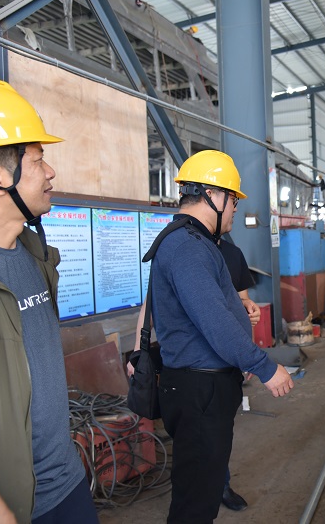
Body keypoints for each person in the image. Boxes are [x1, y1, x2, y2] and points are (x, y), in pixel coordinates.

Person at [0, 79, 98, 523]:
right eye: (36, 160)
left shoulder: (35, 255)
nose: (50, 172)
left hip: (68, 484)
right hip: (11, 506)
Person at [148, 149, 293, 523]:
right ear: (211, 194)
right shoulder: (187, 246)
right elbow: (214, 322)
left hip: (205, 387)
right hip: (198, 390)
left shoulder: (196, 243)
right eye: (232, 199)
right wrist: (264, 367)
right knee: (196, 501)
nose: (235, 209)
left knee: (204, 488)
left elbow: (209, 309)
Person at [127, 235, 259, 512]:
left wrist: (247, 312)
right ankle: (201, 492)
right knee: (194, 443)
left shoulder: (232, 254)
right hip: (191, 371)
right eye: (231, 209)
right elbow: (150, 305)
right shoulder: (183, 249)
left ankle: (219, 485)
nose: (233, 214)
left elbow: (240, 299)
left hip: (224, 367)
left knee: (218, 436)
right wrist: (139, 352)